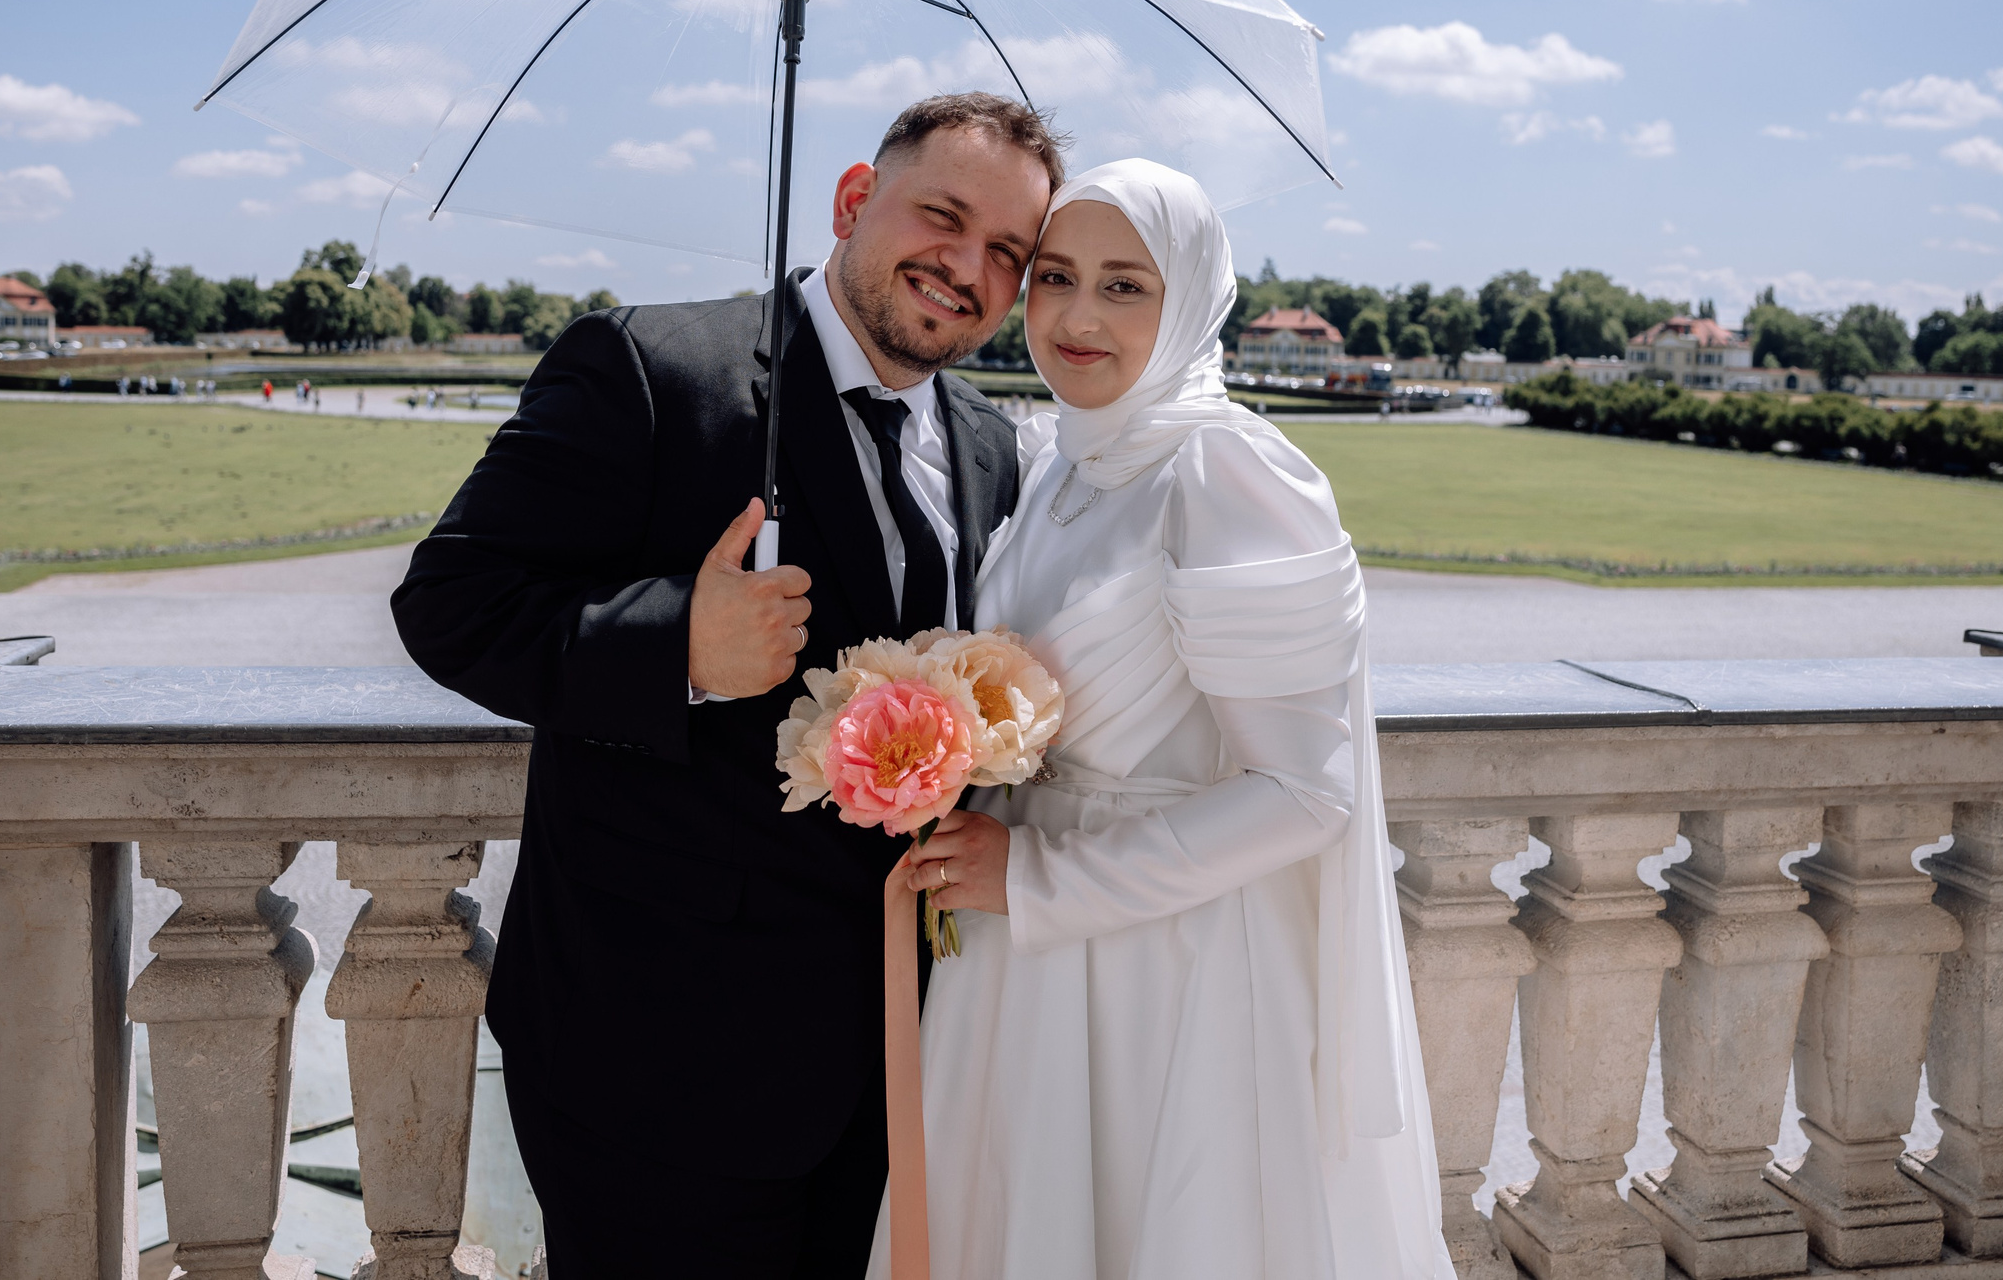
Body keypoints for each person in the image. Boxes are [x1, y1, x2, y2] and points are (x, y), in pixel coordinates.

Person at [391, 93, 1063, 1280]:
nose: (966, 269)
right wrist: (678, 651)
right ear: (856, 200)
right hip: (656, 1064)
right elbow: (448, 601)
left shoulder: (990, 446)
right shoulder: (648, 367)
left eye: (1006, 252)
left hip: (898, 1061)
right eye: (942, 218)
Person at [877, 158, 1450, 1280]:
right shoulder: (1055, 462)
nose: (1077, 316)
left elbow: (1306, 793)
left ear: (1189, 296)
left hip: (1168, 974)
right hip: (1017, 965)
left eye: (1125, 286)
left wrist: (1037, 881)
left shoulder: (1225, 469)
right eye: (1053, 276)